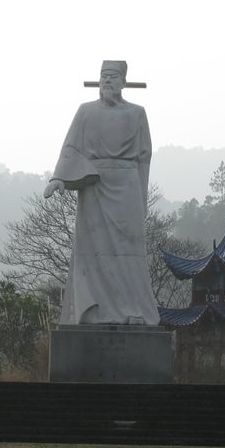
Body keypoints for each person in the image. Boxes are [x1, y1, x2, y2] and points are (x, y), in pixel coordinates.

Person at [44, 60, 160, 325]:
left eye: (112, 76)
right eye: (103, 76)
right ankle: (92, 312)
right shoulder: (85, 112)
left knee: (129, 249)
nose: (107, 81)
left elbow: (144, 157)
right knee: (90, 250)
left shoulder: (137, 113)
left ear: (123, 82)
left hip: (127, 185)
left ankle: (134, 310)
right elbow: (71, 148)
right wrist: (59, 178)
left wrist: (141, 196)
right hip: (94, 184)